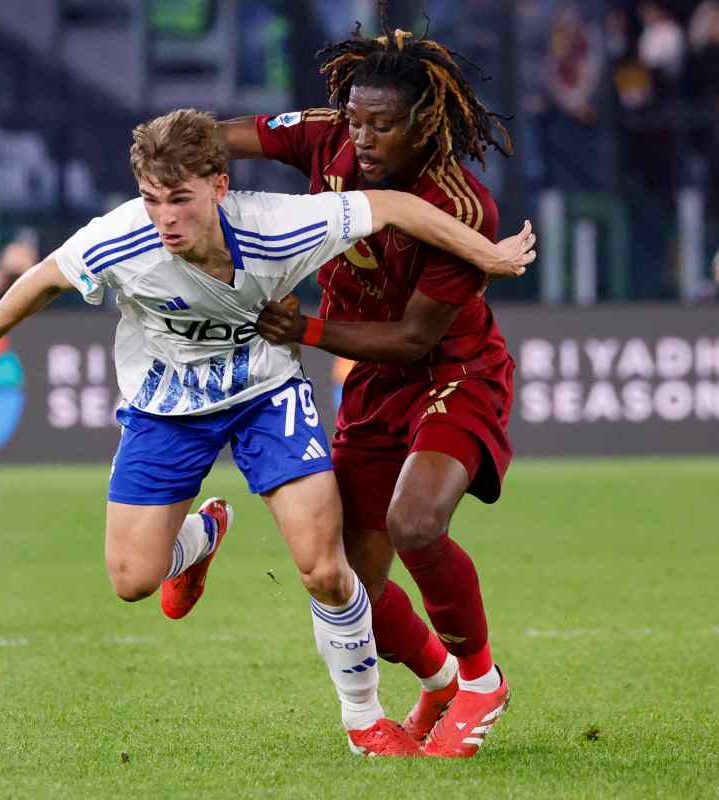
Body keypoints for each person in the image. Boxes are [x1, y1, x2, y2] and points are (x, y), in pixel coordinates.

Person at [0, 108, 534, 755]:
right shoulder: (123, 239)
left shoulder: (278, 224)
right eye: (152, 199)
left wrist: (484, 252)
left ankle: (365, 722)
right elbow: (44, 279)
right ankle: (203, 534)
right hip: (166, 405)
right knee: (131, 580)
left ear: (218, 186)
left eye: (180, 199)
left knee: (326, 568)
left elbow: (391, 206)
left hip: (267, 395)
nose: (165, 219)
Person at [219, 24, 521, 758]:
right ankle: (440, 679)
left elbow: (415, 340)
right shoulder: (329, 139)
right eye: (356, 120)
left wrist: (307, 332)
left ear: (425, 122)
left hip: (452, 373)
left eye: (382, 124)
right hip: (374, 386)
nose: (363, 138)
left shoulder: (461, 207)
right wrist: (173, 151)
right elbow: (226, 136)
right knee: (343, 575)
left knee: (415, 523)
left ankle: (482, 681)